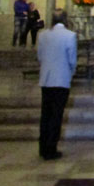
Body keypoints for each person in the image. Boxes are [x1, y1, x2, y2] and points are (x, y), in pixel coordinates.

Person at [37, 9, 77, 160]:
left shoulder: (43, 35)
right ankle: (51, 148)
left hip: (46, 79)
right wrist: (70, 73)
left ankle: (42, 146)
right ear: (65, 19)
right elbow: (72, 60)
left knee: (45, 114)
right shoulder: (70, 36)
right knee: (56, 114)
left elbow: (40, 57)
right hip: (61, 79)